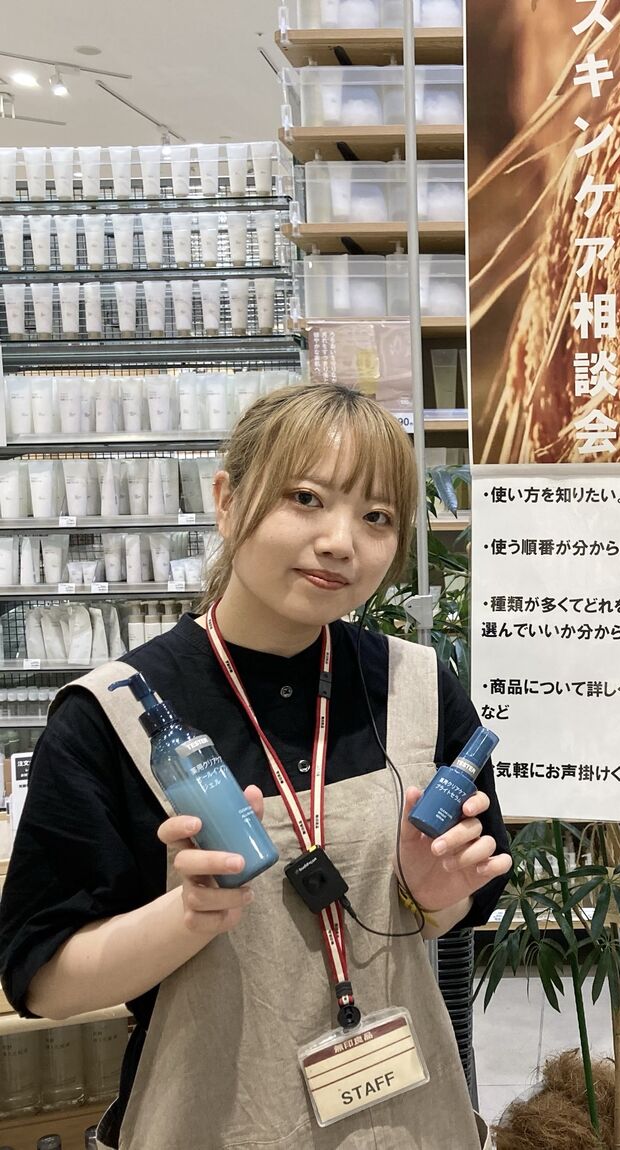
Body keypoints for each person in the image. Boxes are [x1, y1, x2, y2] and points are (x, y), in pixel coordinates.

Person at [0, 383, 512, 1149]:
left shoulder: (418, 686)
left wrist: (430, 898)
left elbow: (469, 895)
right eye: (305, 499)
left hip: (406, 1120)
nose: (340, 541)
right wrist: (183, 918)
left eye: (376, 517)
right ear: (227, 500)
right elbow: (42, 980)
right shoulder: (111, 714)